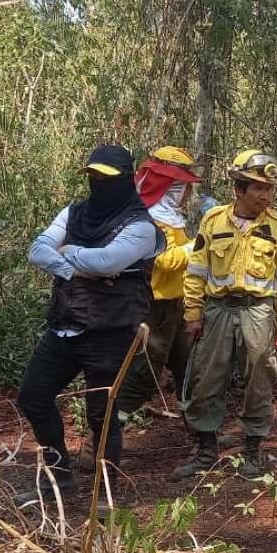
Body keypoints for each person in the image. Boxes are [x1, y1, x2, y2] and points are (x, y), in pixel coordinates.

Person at [14, 145, 165, 506]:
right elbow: (38, 250)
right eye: (93, 177)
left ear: (125, 180)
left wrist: (69, 252)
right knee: (33, 396)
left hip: (110, 333)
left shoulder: (141, 227)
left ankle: (104, 492)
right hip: (64, 325)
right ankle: (57, 478)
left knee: (103, 413)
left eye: (106, 178)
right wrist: (74, 267)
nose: (98, 183)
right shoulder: (74, 212)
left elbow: (108, 262)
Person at [173, 150, 277, 480]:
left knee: (260, 380)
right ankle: (206, 451)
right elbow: (197, 271)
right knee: (206, 380)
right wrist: (193, 315)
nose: (266, 195)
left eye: (270, 189)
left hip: (258, 312)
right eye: (258, 188)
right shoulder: (214, 221)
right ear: (238, 189)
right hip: (217, 312)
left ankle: (251, 453)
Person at [112, 146, 203, 421]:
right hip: (152, 307)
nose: (188, 193)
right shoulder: (149, 219)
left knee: (189, 371)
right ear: (172, 187)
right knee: (142, 376)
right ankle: (99, 445)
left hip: (174, 306)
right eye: (184, 186)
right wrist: (200, 245)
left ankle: (203, 438)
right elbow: (164, 260)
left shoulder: (170, 218)